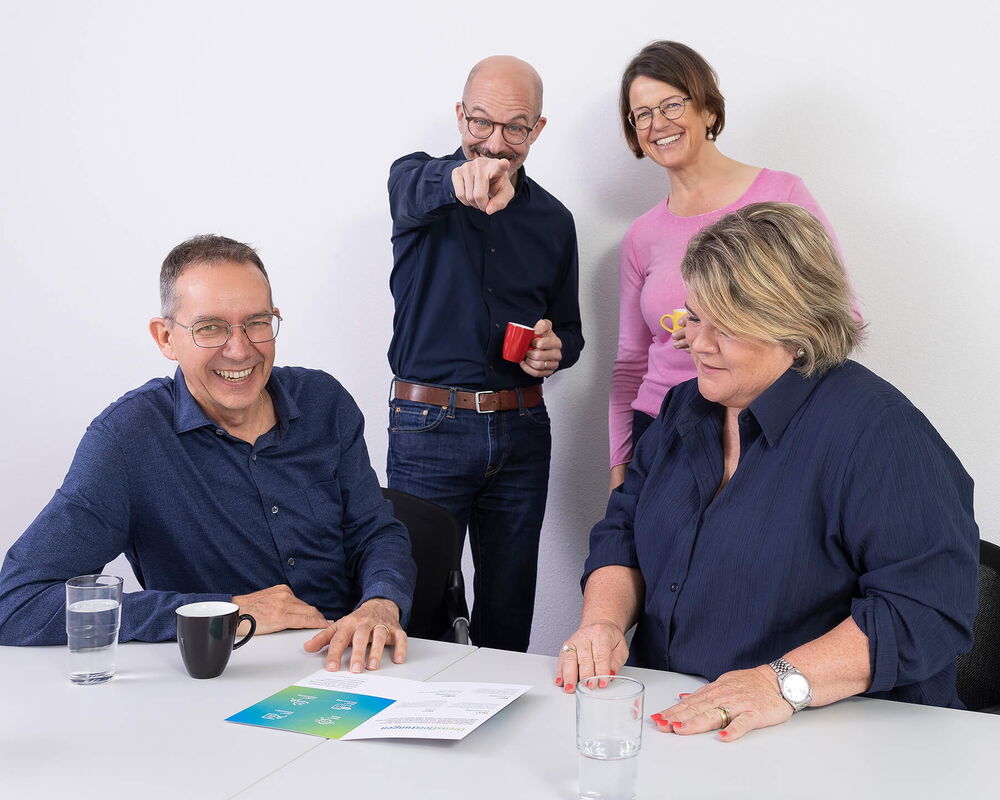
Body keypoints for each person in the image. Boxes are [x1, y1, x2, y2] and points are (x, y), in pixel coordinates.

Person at [557, 203, 978, 740]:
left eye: (726, 327)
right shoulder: (686, 404)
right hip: (685, 720)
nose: (697, 344)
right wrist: (602, 622)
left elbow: (926, 608)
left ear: (795, 327)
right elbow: (623, 530)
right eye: (693, 317)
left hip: (839, 735)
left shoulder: (882, 434)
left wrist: (779, 683)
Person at [0, 235, 416, 674]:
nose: (239, 350)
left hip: (361, 666)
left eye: (256, 323)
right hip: (226, 680)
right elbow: (16, 603)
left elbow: (375, 532)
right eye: (210, 328)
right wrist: (225, 611)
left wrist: (381, 604)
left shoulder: (324, 402)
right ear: (165, 338)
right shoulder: (127, 439)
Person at [386, 55, 584, 652]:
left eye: (515, 128)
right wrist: (457, 181)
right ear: (459, 116)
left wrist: (555, 351)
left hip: (523, 429)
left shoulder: (554, 219)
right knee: (419, 611)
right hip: (428, 429)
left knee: (508, 615)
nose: (495, 144)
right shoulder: (416, 182)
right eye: (480, 124)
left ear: (538, 130)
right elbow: (415, 187)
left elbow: (570, 332)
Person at [609, 41, 847, 491]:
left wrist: (722, 330)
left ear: (709, 111)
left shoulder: (781, 196)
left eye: (672, 105)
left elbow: (837, 320)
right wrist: (619, 464)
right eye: (642, 114)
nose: (658, 124)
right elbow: (630, 362)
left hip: (761, 432)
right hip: (658, 431)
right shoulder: (641, 234)